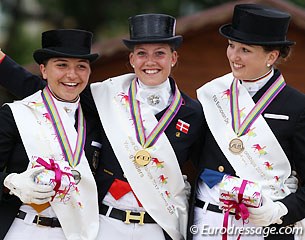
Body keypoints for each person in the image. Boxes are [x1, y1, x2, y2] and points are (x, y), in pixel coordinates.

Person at [0, 14, 205, 240]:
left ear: (173, 58)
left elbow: (205, 167)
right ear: (132, 58)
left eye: (160, 53)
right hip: (105, 224)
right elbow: (48, 92)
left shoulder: (193, 112)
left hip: (160, 225)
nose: (150, 62)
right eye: (142, 54)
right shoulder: (105, 96)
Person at [189, 4, 305, 240]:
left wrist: (282, 210)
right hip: (207, 224)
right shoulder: (212, 95)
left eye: (245, 50)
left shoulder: (297, 106)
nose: (234, 56)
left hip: (266, 227)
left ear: (271, 56)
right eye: (231, 46)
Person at [0, 29, 102, 240]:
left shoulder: (96, 119)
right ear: (44, 70)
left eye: (81, 67)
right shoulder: (15, 114)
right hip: (23, 228)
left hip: (78, 233)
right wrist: (10, 183)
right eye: (62, 65)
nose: (72, 75)